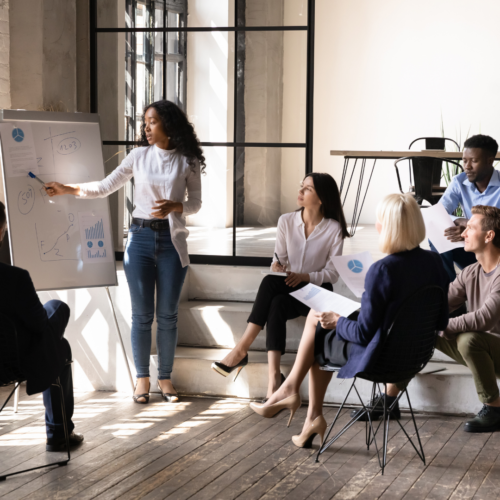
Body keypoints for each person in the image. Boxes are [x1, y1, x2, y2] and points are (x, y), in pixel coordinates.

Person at [249, 194, 449, 447]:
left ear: (386, 227)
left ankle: (297, 399)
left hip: (380, 358)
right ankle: (300, 406)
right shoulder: (435, 263)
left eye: (378, 220)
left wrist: (337, 321)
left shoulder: (382, 270)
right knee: (320, 326)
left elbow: (364, 334)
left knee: (318, 331)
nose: (376, 225)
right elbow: (441, 321)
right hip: (415, 355)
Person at [45, 100, 204, 404]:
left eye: (152, 121)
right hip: (140, 240)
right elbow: (105, 186)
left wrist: (177, 206)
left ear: (168, 125)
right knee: (142, 316)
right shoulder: (139, 156)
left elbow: (196, 202)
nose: (146, 127)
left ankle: (165, 378)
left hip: (172, 243)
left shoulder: (188, 160)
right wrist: (69, 188)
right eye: (145, 122)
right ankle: (142, 379)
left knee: (168, 315)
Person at [211, 173, 349, 400]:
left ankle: (241, 350)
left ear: (322, 198)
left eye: (308, 189)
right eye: (301, 186)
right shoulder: (286, 221)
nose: (301, 191)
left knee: (269, 286)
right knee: (275, 300)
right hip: (290, 287)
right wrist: (277, 266)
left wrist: (304, 277)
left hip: (317, 294)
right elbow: (278, 259)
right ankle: (273, 379)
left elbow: (332, 275)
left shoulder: (333, 229)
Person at [385, 205, 500, 433]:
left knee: (469, 339)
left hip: (493, 346)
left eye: (470, 228)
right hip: (483, 352)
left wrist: (444, 325)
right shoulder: (470, 272)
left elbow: (485, 318)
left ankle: (495, 408)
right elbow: (438, 303)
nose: (463, 233)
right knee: (419, 328)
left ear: (489, 236)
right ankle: (389, 401)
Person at [0, 202, 83, 451]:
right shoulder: (15, 279)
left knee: (52, 336)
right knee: (58, 322)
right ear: (1, 232)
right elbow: (38, 325)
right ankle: (59, 433)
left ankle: (59, 432)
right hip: (12, 364)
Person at [433, 134, 500, 281]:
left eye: (474, 161)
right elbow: (439, 212)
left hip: (494, 251)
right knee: (438, 234)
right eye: (464, 161)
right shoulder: (459, 181)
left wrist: (473, 228)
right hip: (470, 250)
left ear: (490, 161)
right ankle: (450, 294)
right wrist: (461, 221)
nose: (467, 166)